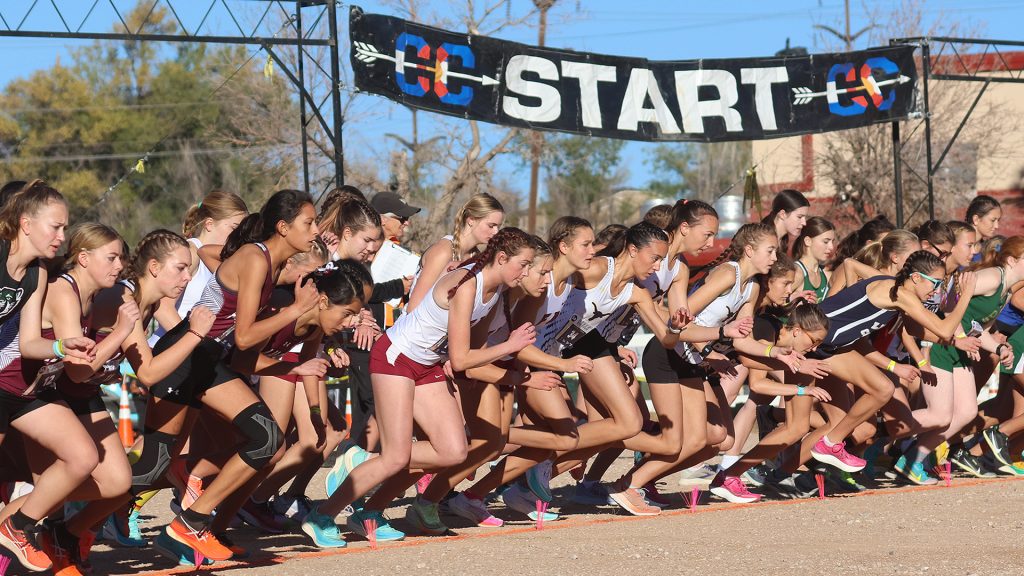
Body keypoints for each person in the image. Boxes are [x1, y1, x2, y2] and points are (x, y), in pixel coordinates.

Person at [302, 228, 539, 547]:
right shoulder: (467, 285)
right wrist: (509, 346)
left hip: (427, 364)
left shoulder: (493, 292)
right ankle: (322, 515)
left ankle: (367, 510)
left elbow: (470, 350)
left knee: (453, 451)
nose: (526, 272)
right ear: (501, 258)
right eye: (523, 264)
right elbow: (461, 357)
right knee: (397, 457)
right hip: (396, 358)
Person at [137, 189, 320, 561]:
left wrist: (291, 365)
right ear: (283, 227)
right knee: (151, 467)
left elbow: (240, 352)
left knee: (266, 439)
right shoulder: (256, 258)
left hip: (210, 364)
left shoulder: (268, 265)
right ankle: (61, 516)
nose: (315, 230)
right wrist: (295, 310)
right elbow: (244, 336)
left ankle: (191, 523)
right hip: (185, 356)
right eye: (309, 223)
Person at [0, 181, 97, 572]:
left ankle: (15, 527)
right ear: (25, 223)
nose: (63, 237)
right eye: (55, 227)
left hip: (10, 380)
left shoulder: (37, 272)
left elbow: (29, 343)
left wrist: (63, 346)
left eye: (65, 227)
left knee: (83, 456)